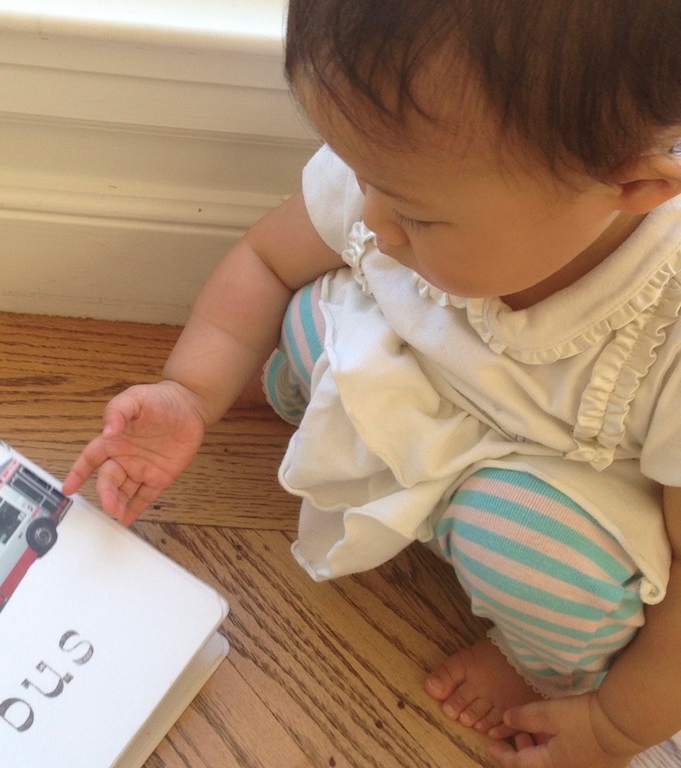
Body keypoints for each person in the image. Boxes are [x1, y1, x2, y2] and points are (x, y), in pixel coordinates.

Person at [62, 2, 681, 766]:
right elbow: (265, 261)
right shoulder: (397, 180)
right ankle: (305, 401)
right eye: (358, 173)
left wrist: (618, 725)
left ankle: (538, 659)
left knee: (548, 567)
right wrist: (192, 391)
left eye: (417, 216)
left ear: (632, 190)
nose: (373, 220)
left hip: (549, 478)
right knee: (302, 317)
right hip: (416, 369)